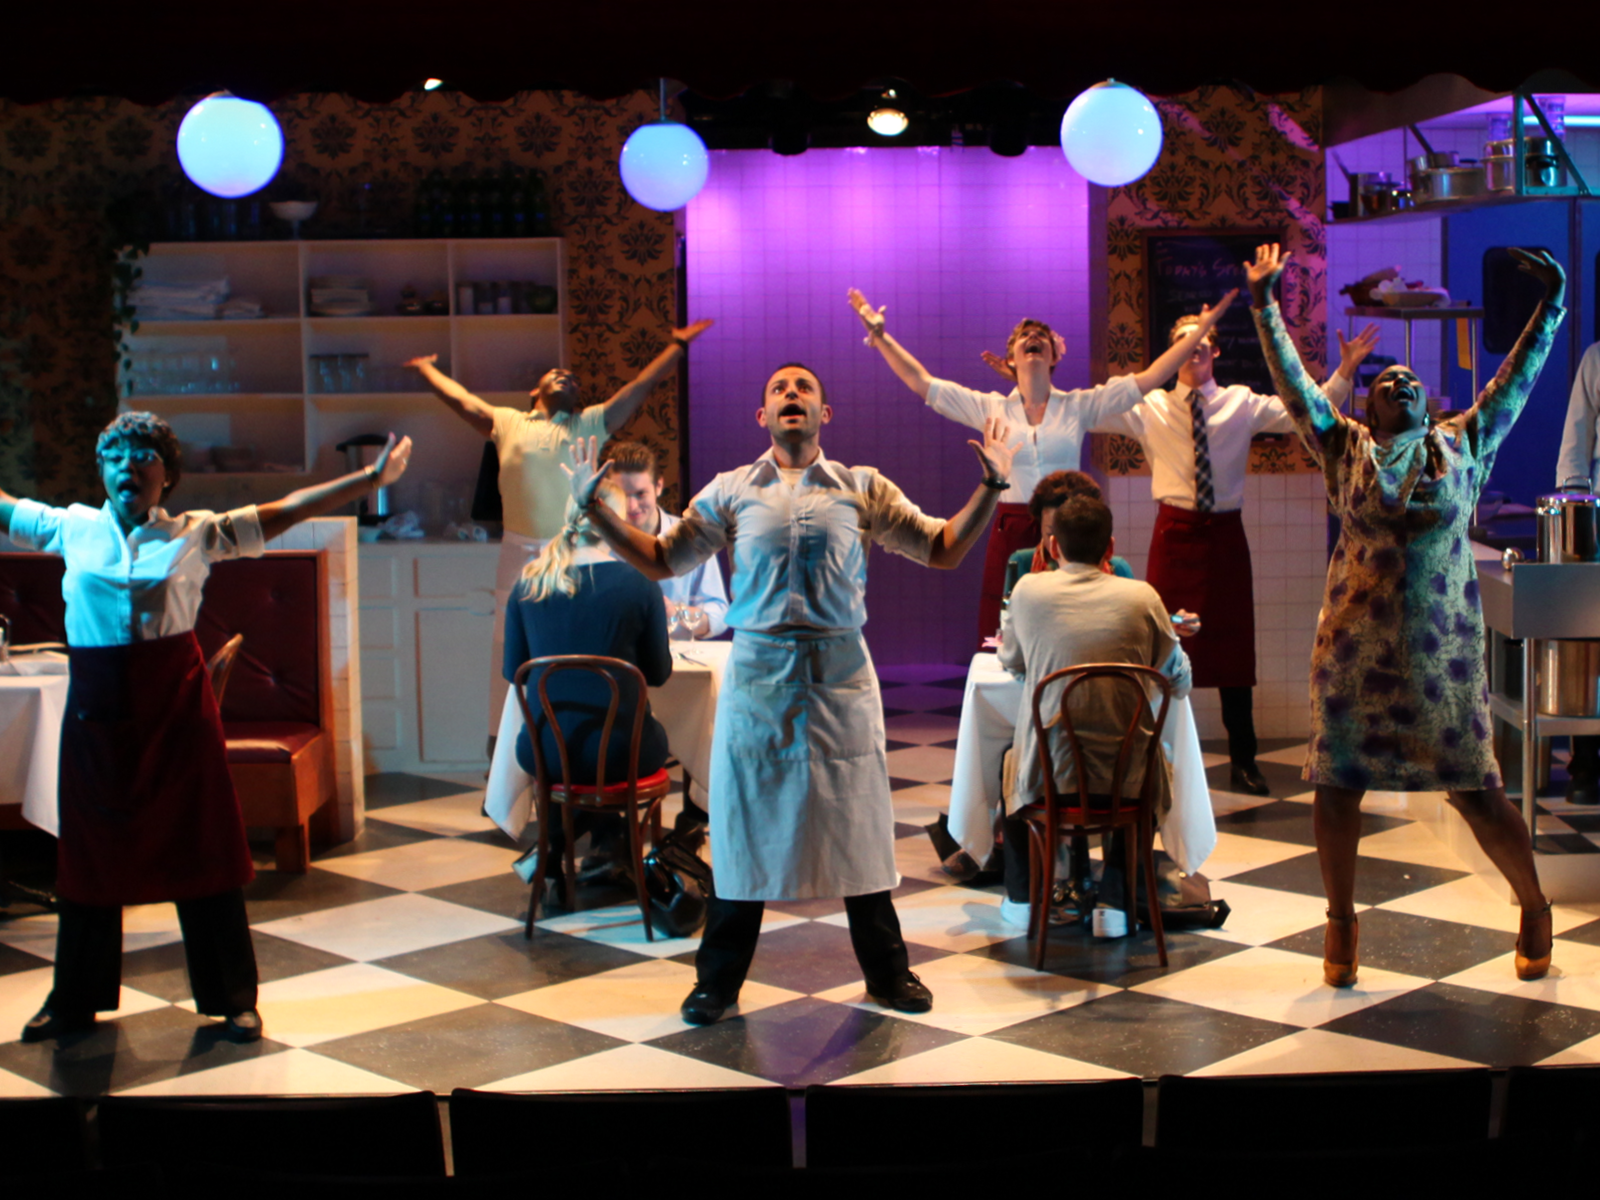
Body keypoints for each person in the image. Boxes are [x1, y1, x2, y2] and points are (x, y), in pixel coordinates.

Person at [563, 362, 1015, 1024]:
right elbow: (662, 558)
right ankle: (717, 982)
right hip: (759, 676)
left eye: (804, 388)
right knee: (743, 825)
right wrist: (593, 511)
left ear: (824, 414)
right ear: (763, 416)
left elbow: (942, 548)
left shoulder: (862, 487)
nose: (792, 395)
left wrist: (993, 486)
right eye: (779, 388)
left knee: (859, 825)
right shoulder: (731, 490)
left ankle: (889, 972)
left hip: (841, 676)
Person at [0, 411, 412, 1042]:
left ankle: (231, 998)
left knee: (203, 851)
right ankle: (74, 1001)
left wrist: (368, 479)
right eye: (116, 456)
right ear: (101, 469)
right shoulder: (70, 527)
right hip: (96, 717)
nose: (128, 467)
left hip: (176, 716)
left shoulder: (195, 533)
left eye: (143, 456)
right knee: (89, 856)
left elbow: (286, 510)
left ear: (167, 475)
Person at [1246, 242, 1562, 987]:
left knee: (1478, 793)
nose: (1401, 380)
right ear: (1371, 409)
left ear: (1426, 403)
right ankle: (1341, 924)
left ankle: (1533, 904)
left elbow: (1516, 379)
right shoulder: (1343, 448)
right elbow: (1293, 385)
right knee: (1337, 788)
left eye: (1410, 378)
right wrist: (1263, 303)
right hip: (1353, 659)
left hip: (1439, 662)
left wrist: (1551, 307)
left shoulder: (1464, 442)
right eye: (1387, 382)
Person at [1091, 312, 1378, 796]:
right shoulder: (1149, 406)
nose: (1195, 347)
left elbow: (1305, 412)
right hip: (1173, 536)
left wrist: (1345, 371)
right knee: (1161, 645)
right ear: (1173, 353)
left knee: (1234, 652)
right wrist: (1032, 385)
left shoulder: (1241, 402)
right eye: (1184, 340)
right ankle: (1152, 757)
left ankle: (1244, 761)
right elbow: (1089, 410)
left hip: (1225, 537)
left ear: (1216, 351)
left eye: (1203, 340)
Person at [846, 286, 1234, 642]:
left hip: (1068, 530)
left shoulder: (1078, 405)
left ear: (1054, 356)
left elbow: (1151, 378)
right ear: (1011, 358)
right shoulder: (991, 408)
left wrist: (1200, 330)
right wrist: (880, 337)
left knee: (1069, 627)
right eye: (1024, 336)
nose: (1033, 337)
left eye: (1041, 336)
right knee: (1005, 633)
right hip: (1010, 528)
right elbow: (922, 383)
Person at [403, 317, 712, 739]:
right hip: (520, 556)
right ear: (535, 392)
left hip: (577, 554)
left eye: (573, 379)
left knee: (579, 651)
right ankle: (502, 756)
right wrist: (426, 370)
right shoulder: (507, 422)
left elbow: (639, 387)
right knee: (511, 657)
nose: (567, 377)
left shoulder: (588, 423)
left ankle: (578, 742)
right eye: (556, 374)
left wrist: (677, 347)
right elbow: (463, 401)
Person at [997, 494, 1192, 930]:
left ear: (1052, 546)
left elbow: (1011, 661)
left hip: (1050, 776)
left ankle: (1023, 897)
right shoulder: (1143, 597)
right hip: (1124, 781)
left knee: (1008, 761)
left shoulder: (1028, 591)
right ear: (1110, 548)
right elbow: (1178, 681)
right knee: (1151, 761)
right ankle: (1115, 903)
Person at [502, 478, 671, 893]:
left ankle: (558, 850)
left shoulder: (528, 583)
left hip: (544, 750)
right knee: (627, 747)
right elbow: (658, 673)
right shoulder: (639, 583)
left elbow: (514, 672)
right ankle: (614, 846)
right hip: (621, 752)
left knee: (578, 757)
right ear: (616, 524)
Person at [603, 440, 729, 639]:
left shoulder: (691, 536)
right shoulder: (596, 543)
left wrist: (676, 613)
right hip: (613, 653)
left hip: (677, 652)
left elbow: (719, 615)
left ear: (659, 486)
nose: (631, 506)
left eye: (640, 494)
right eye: (623, 495)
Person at [1552, 338, 1600, 803]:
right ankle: (1585, 764)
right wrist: (1576, 524)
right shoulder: (1597, 359)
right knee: (1591, 642)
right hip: (1598, 526)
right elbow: (1575, 447)